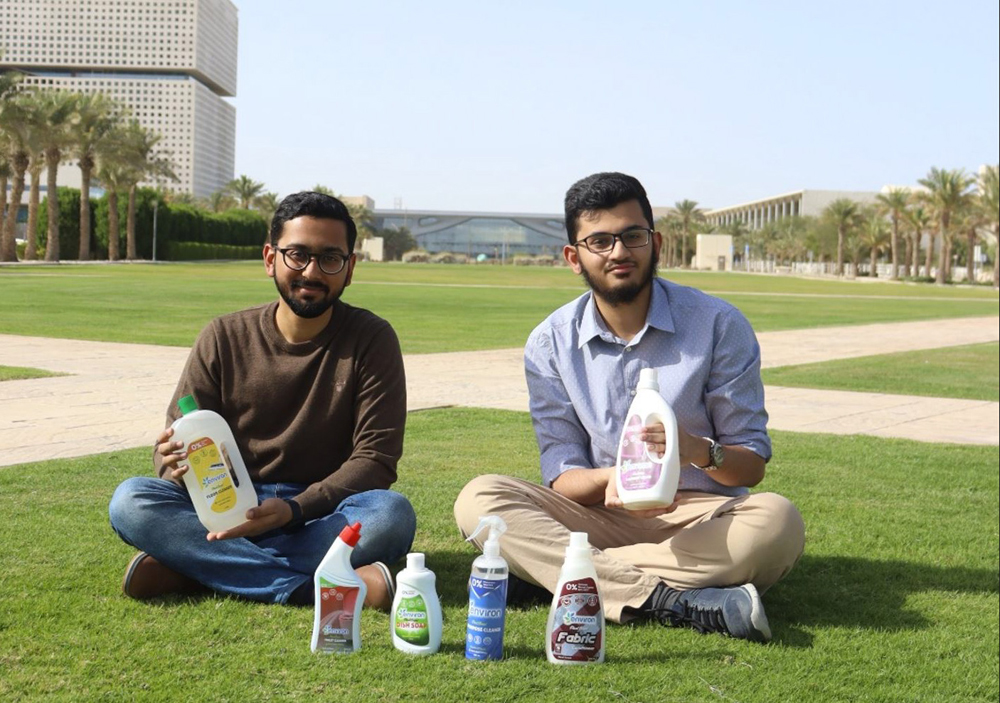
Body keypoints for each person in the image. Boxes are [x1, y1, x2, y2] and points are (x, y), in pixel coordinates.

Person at [454, 172, 805, 642]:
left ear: (655, 241)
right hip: (601, 516)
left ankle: (562, 574)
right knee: (479, 500)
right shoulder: (551, 343)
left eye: (632, 236)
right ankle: (671, 601)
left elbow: (749, 466)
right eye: (599, 240)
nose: (618, 252)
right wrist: (610, 479)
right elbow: (563, 477)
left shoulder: (718, 324)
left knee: (778, 523)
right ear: (573, 257)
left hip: (700, 518)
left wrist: (697, 450)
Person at [109, 191, 415, 609]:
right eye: (297, 255)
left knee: (391, 515)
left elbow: (376, 459)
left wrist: (292, 509)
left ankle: (198, 567)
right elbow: (178, 444)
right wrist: (173, 462)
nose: (311, 271)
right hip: (226, 507)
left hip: (317, 511)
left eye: (330, 258)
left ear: (350, 268)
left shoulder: (371, 340)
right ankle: (306, 590)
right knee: (131, 501)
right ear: (270, 258)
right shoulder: (222, 336)